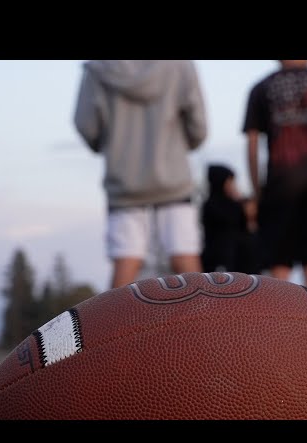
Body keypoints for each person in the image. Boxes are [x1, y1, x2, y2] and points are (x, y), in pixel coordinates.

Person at [73, 60, 207, 289]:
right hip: (174, 182)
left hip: (124, 185)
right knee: (186, 262)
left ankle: (114, 325)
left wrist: (107, 145)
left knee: (126, 263)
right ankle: (206, 324)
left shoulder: (98, 68)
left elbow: (85, 124)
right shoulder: (180, 65)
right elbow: (199, 128)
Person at [242, 60, 307, 293]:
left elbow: (251, 145)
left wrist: (258, 193)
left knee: (279, 266)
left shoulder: (261, 88)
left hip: (280, 185)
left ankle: (282, 326)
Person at [201, 163, 260, 274]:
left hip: (243, 261)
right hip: (221, 261)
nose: (232, 186)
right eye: (229, 182)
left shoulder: (237, 204)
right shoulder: (212, 205)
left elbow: (248, 227)